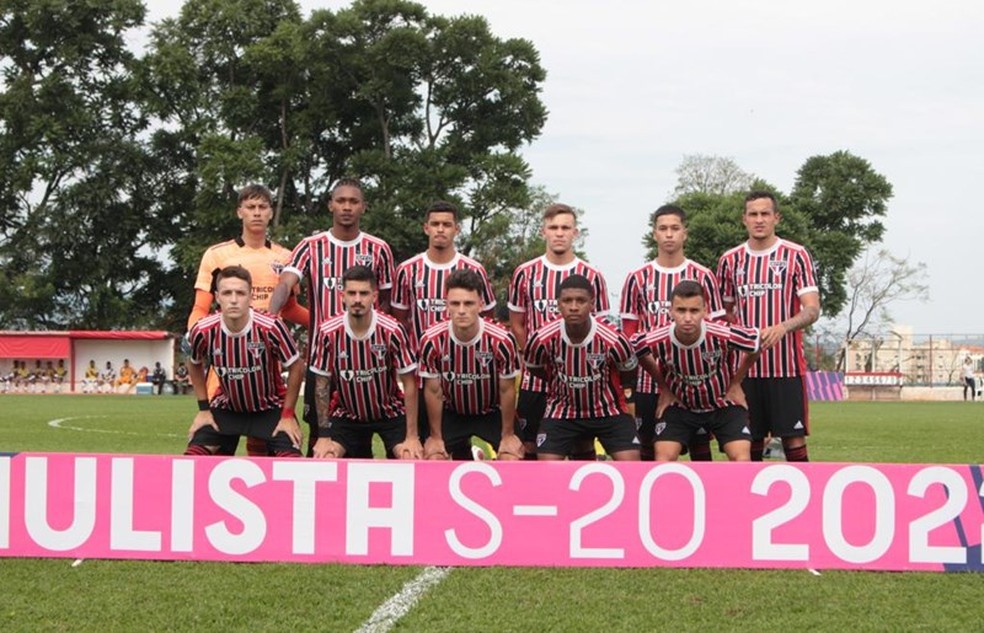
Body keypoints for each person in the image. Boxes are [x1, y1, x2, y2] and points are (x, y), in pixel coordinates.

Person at [269, 178, 395, 457]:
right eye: (341, 201)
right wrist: (270, 317)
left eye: (353, 201)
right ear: (331, 205)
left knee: (363, 437)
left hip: (367, 363)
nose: (347, 207)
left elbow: (387, 303)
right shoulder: (310, 246)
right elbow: (286, 283)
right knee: (320, 438)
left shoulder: (378, 249)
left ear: (363, 207)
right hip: (321, 360)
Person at [188, 184, 309, 456]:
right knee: (216, 433)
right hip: (226, 357)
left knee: (265, 438)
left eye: (262, 207)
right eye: (250, 207)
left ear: (270, 213)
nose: (256, 213)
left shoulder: (285, 257)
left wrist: (322, 323)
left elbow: (290, 309)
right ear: (239, 212)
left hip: (269, 356)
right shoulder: (217, 254)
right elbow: (200, 307)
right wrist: (194, 336)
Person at [716, 191, 821, 462]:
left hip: (786, 367)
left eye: (765, 214)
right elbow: (722, 315)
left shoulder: (796, 255)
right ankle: (747, 491)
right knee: (747, 441)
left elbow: (812, 309)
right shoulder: (730, 260)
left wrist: (783, 327)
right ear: (744, 219)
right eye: (753, 214)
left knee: (793, 439)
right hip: (744, 371)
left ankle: (804, 488)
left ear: (777, 217)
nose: (759, 220)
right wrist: (739, 336)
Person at [620, 205, 725, 461]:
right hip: (648, 382)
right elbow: (629, 335)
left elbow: (718, 332)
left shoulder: (704, 275)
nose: (669, 234)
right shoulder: (637, 278)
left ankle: (702, 490)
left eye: (675, 228)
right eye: (663, 228)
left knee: (700, 451)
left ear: (684, 233)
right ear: (654, 233)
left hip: (694, 383)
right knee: (649, 450)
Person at [391, 201, 496, 457]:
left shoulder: (474, 270)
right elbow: (399, 321)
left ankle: (468, 456)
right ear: (426, 228)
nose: (440, 229)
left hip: (466, 375)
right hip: (423, 375)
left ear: (456, 229)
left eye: (446, 224)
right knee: (429, 447)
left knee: (457, 439)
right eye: (435, 224)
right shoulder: (407, 270)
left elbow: (488, 318)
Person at [509, 203, 610, 459]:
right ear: (543, 231)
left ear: (575, 233)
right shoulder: (525, 273)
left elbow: (602, 329)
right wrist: (535, 358)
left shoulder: (592, 275)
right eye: (553, 227)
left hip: (580, 380)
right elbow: (517, 323)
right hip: (536, 379)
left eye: (565, 228)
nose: (559, 233)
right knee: (529, 445)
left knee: (582, 445)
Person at [184, 265, 303, 458]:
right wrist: (204, 409)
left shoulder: (271, 327)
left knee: (292, 462)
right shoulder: (203, 330)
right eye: (227, 293)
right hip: (227, 408)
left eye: (240, 293)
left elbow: (296, 366)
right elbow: (194, 362)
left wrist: (288, 415)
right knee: (192, 459)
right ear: (217, 297)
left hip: (270, 408)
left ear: (250, 297)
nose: (233, 300)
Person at [635, 281, 758, 461]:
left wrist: (736, 382)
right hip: (681, 406)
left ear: (705, 311)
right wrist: (664, 387)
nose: (687, 318)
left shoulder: (722, 333)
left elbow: (756, 343)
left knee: (742, 458)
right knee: (662, 459)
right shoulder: (657, 337)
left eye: (694, 311)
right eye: (681, 310)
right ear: (670, 311)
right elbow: (637, 350)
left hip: (722, 404)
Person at [307, 266, 422, 460]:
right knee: (325, 456)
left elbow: (410, 383)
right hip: (347, 414)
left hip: (390, 413)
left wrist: (412, 437)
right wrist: (324, 436)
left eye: (364, 293)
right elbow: (321, 384)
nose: (357, 299)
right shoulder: (327, 332)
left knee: (410, 456)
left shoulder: (392, 330)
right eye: (352, 293)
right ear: (342, 296)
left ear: (374, 296)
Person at [524, 275, 640, 461]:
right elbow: (535, 368)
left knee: (631, 463)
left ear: (592, 304)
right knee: (546, 467)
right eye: (567, 301)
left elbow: (629, 372)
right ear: (558, 304)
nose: (574, 307)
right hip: (562, 411)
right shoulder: (541, 338)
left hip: (609, 411)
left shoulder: (614, 339)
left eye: (581, 301)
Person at [418, 269, 524, 461]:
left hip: (492, 412)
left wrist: (508, 435)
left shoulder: (502, 340)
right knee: (434, 457)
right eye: (455, 303)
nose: (461, 310)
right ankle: (469, 453)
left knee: (511, 458)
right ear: (446, 305)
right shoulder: (431, 340)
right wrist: (435, 437)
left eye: (468, 303)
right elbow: (434, 391)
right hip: (452, 412)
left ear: (481, 305)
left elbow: (507, 390)